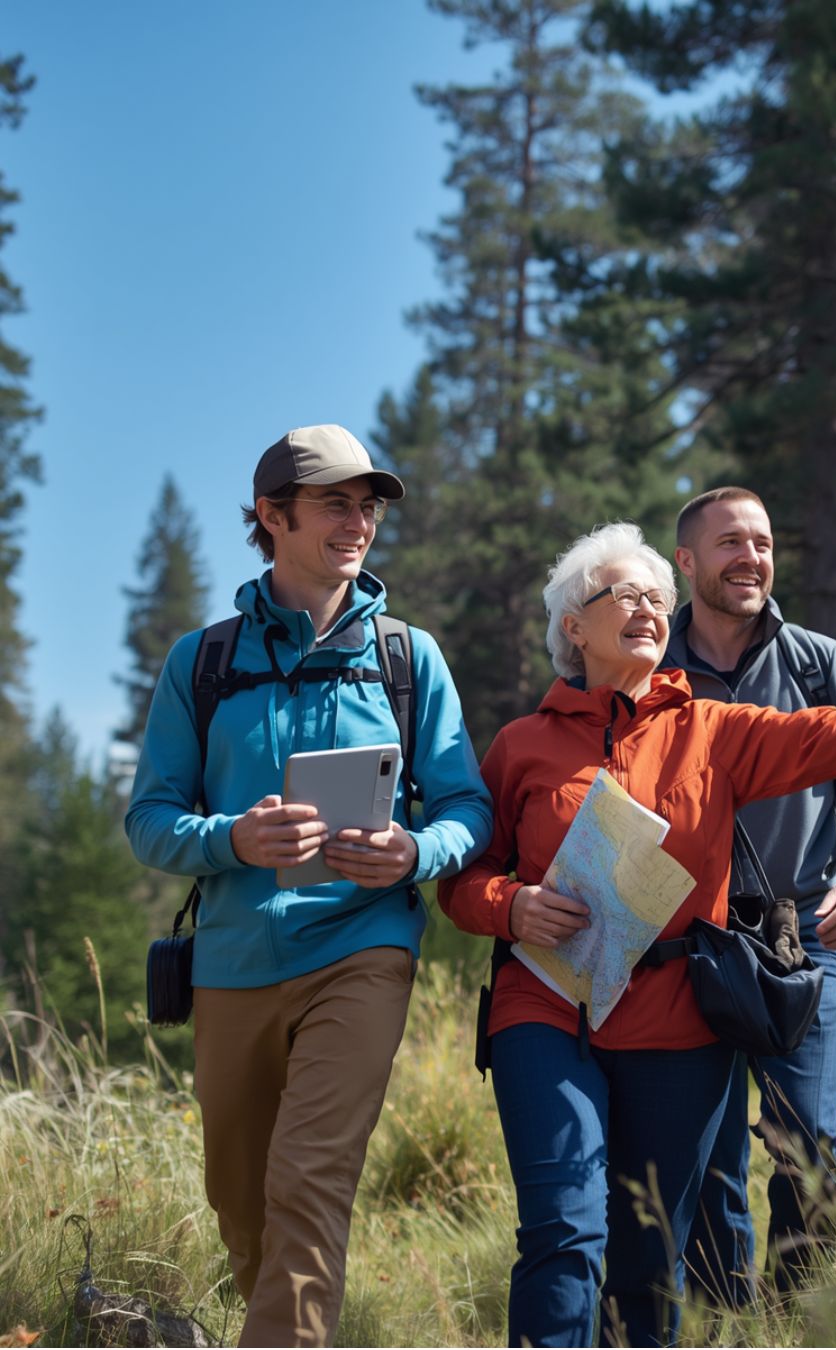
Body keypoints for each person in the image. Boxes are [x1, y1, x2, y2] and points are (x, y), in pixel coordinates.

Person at [437, 520, 836, 1349]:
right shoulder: (521, 745)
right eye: (625, 594)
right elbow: (460, 881)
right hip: (545, 1008)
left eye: (658, 599)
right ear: (573, 624)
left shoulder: (716, 728)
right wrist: (509, 907)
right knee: (565, 1229)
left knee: (651, 1257)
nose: (649, 608)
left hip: (675, 1017)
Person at [125, 423, 492, 1348]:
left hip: (362, 950)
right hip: (233, 961)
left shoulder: (410, 659)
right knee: (241, 1200)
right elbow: (150, 820)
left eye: (368, 505)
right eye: (337, 502)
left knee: (309, 1177)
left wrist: (415, 853)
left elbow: (467, 810)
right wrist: (234, 839)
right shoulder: (201, 664)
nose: (359, 520)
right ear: (272, 515)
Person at [665, 485, 836, 1303]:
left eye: (763, 543)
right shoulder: (646, 667)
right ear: (687, 561)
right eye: (731, 542)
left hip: (798, 937)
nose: (751, 558)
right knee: (701, 1149)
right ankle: (717, 1315)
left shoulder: (819, 663)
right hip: (679, 938)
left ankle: (792, 1311)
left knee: (807, 1140)